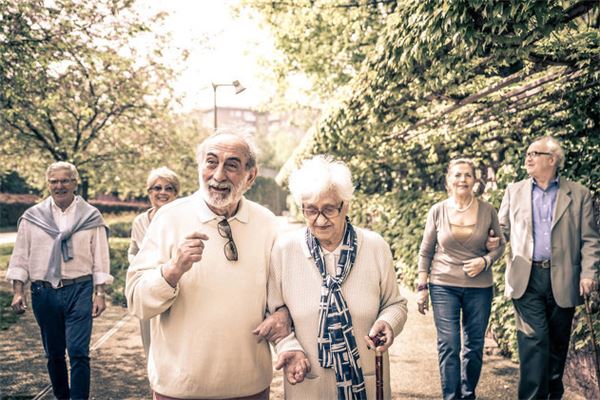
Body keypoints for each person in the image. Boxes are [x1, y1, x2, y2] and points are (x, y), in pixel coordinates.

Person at [125, 131, 304, 400]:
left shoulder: (266, 223)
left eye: (231, 165)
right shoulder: (168, 218)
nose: (218, 175)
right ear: (200, 167)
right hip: (179, 388)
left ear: (250, 175)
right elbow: (136, 300)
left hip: (249, 387)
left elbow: (284, 293)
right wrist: (172, 271)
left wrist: (284, 314)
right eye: (211, 162)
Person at [267, 155, 408, 399]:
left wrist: (389, 323)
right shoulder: (284, 250)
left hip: (366, 381)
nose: (320, 220)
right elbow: (272, 312)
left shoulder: (375, 247)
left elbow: (395, 304)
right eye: (310, 210)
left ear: (346, 205)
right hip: (308, 385)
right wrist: (288, 346)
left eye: (329, 209)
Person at [499, 136, 599, 400]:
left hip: (564, 278)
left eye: (535, 153)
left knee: (556, 347)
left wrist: (589, 273)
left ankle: (553, 395)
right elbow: (501, 231)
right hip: (526, 277)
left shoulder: (579, 194)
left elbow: (590, 239)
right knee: (534, 342)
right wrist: (488, 242)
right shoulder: (514, 191)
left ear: (552, 159)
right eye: (527, 153)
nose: (528, 158)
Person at [7, 161, 112, 400]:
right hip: (44, 292)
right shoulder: (32, 217)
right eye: (54, 181)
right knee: (54, 354)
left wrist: (100, 293)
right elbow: (21, 255)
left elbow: (100, 258)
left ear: (75, 183)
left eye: (65, 180)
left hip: (80, 290)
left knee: (78, 352)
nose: (59, 185)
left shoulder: (91, 216)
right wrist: (17, 291)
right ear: (48, 184)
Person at [416, 158, 506, 400]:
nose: (462, 179)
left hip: (480, 287)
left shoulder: (488, 211)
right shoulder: (437, 210)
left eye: (467, 175)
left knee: (474, 347)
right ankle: (451, 396)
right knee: (449, 344)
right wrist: (422, 287)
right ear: (448, 180)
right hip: (443, 285)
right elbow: (426, 251)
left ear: (475, 180)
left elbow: (500, 246)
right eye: (457, 175)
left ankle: (468, 394)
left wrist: (485, 260)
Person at [127, 166, 180, 357]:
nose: (162, 192)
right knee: (149, 343)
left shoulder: (182, 218)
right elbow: (133, 251)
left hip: (175, 286)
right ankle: (154, 381)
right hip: (148, 287)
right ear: (149, 192)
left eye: (169, 188)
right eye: (157, 188)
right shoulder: (140, 221)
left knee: (175, 341)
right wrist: (139, 265)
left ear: (176, 193)